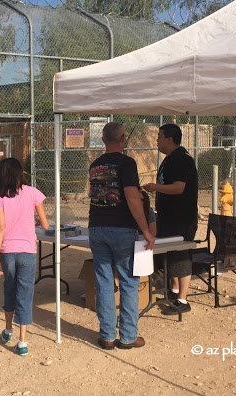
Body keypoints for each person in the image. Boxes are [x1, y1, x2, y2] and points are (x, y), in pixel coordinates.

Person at [88, 122, 155, 350]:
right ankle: (127, 336)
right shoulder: (127, 163)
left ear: (104, 140)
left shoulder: (95, 165)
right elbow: (132, 197)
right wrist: (146, 229)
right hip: (122, 228)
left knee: (104, 282)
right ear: (123, 139)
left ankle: (107, 335)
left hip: (96, 227)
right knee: (128, 281)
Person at [0, 157, 49, 356]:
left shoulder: (0, 197)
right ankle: (22, 341)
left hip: (8, 251)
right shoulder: (33, 193)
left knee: (9, 288)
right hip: (27, 251)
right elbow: (45, 224)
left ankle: (8, 330)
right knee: (25, 293)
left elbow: (1, 228)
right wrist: (32, 220)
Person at [143, 123, 199, 315]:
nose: (157, 140)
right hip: (167, 217)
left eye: (159, 137)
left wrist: (155, 187)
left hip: (181, 219)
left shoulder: (182, 160)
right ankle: (173, 292)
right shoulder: (169, 159)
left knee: (181, 255)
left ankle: (183, 300)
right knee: (169, 254)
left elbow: (179, 188)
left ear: (169, 139)